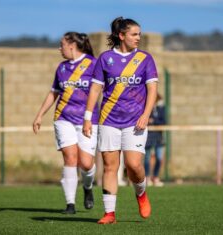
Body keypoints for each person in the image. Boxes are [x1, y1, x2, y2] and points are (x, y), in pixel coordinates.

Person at [83, 17, 158, 224]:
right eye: (134, 34)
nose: (138, 38)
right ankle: (109, 213)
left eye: (139, 34)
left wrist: (145, 114)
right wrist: (88, 118)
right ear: (121, 35)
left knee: (134, 165)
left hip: (136, 121)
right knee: (109, 166)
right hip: (108, 120)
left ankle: (141, 193)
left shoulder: (145, 59)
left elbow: (152, 89)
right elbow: (96, 89)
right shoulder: (105, 58)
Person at [33, 32, 98, 214]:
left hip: (88, 120)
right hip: (64, 118)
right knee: (70, 158)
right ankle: (70, 204)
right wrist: (39, 115)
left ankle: (87, 187)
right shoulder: (61, 68)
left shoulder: (93, 64)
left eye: (61, 44)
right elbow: (53, 93)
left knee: (86, 163)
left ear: (72, 45)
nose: (59, 48)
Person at [145, 93, 166, 187]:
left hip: (158, 136)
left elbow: (164, 121)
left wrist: (154, 121)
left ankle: (155, 177)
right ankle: (147, 177)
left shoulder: (161, 108)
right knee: (147, 158)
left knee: (159, 158)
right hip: (148, 136)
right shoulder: (145, 107)